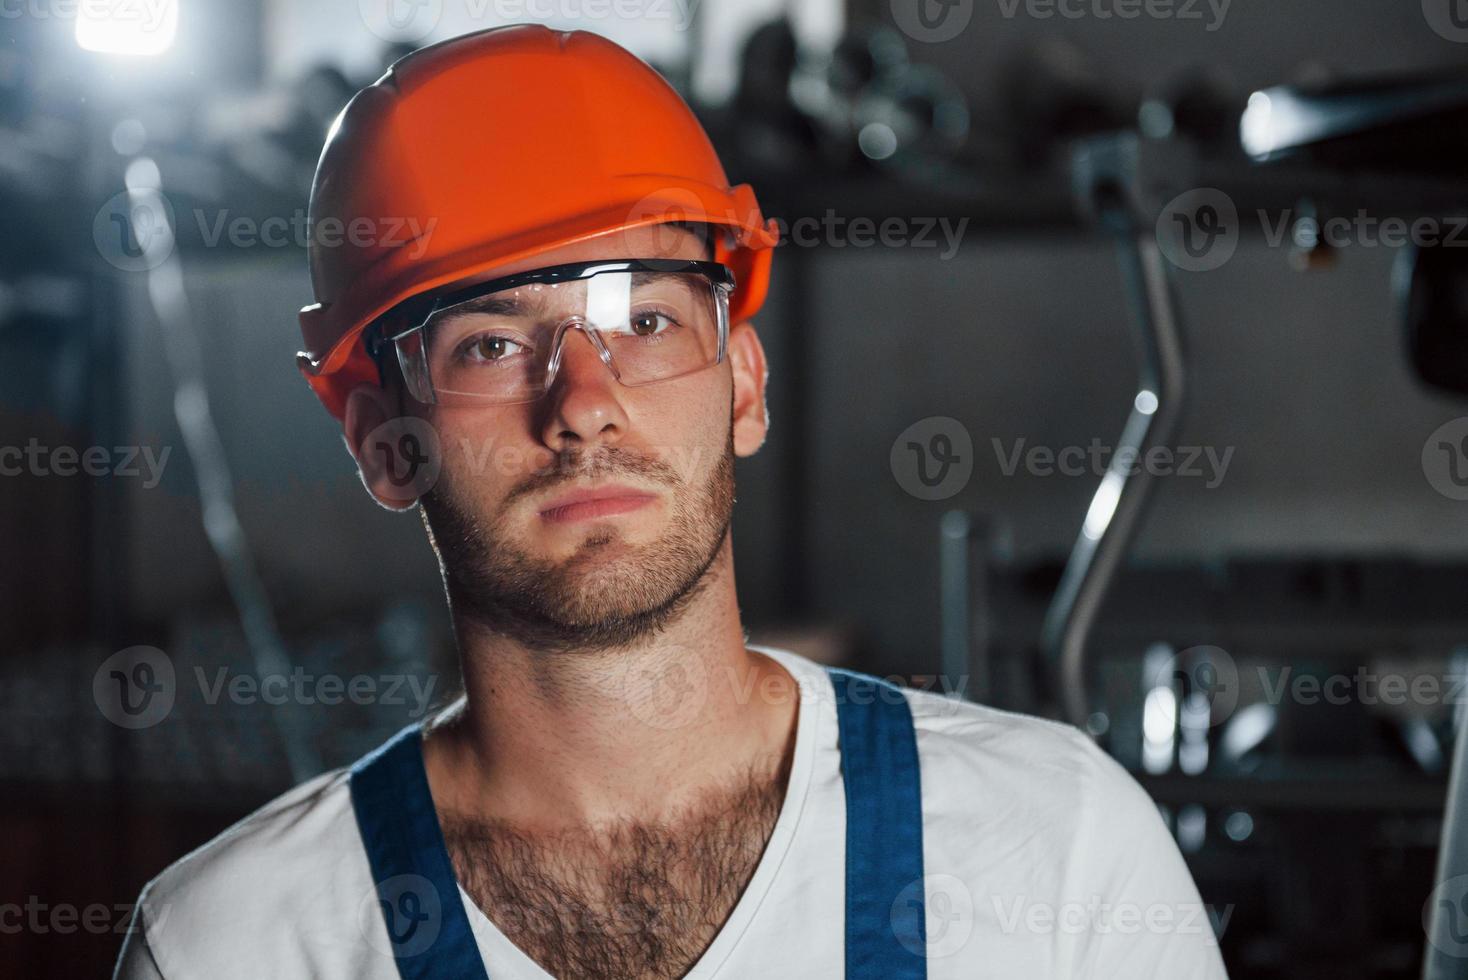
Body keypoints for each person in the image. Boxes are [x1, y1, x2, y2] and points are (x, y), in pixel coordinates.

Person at [115, 23, 1229, 980]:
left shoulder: (1062, 855)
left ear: (742, 383)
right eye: (494, 343)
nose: (585, 404)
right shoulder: (236, 943)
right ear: (382, 442)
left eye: (645, 321)